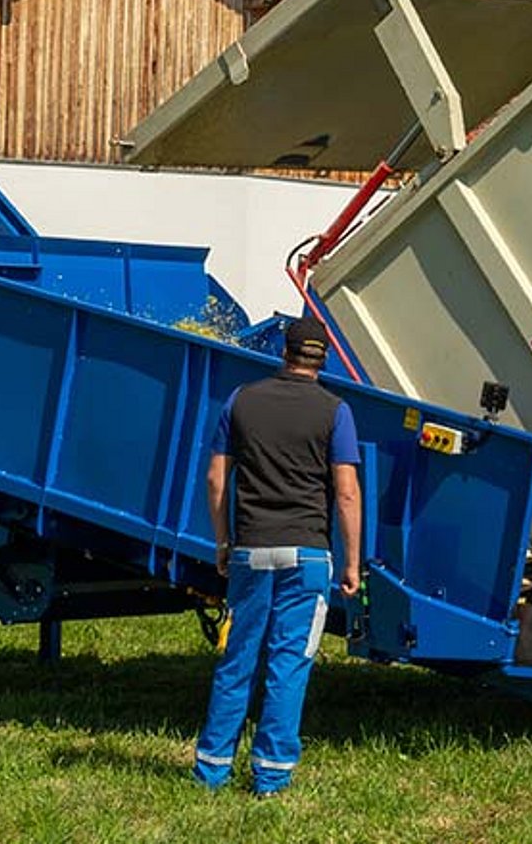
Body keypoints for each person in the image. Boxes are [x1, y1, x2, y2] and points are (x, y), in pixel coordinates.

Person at [193, 315, 363, 797]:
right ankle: (270, 776)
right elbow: (346, 494)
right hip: (307, 555)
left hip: (251, 550)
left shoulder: (241, 400)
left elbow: (215, 479)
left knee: (237, 658)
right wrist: (351, 562)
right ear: (323, 357)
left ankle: (211, 770)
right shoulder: (336, 411)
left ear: (283, 352)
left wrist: (224, 542)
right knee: (288, 662)